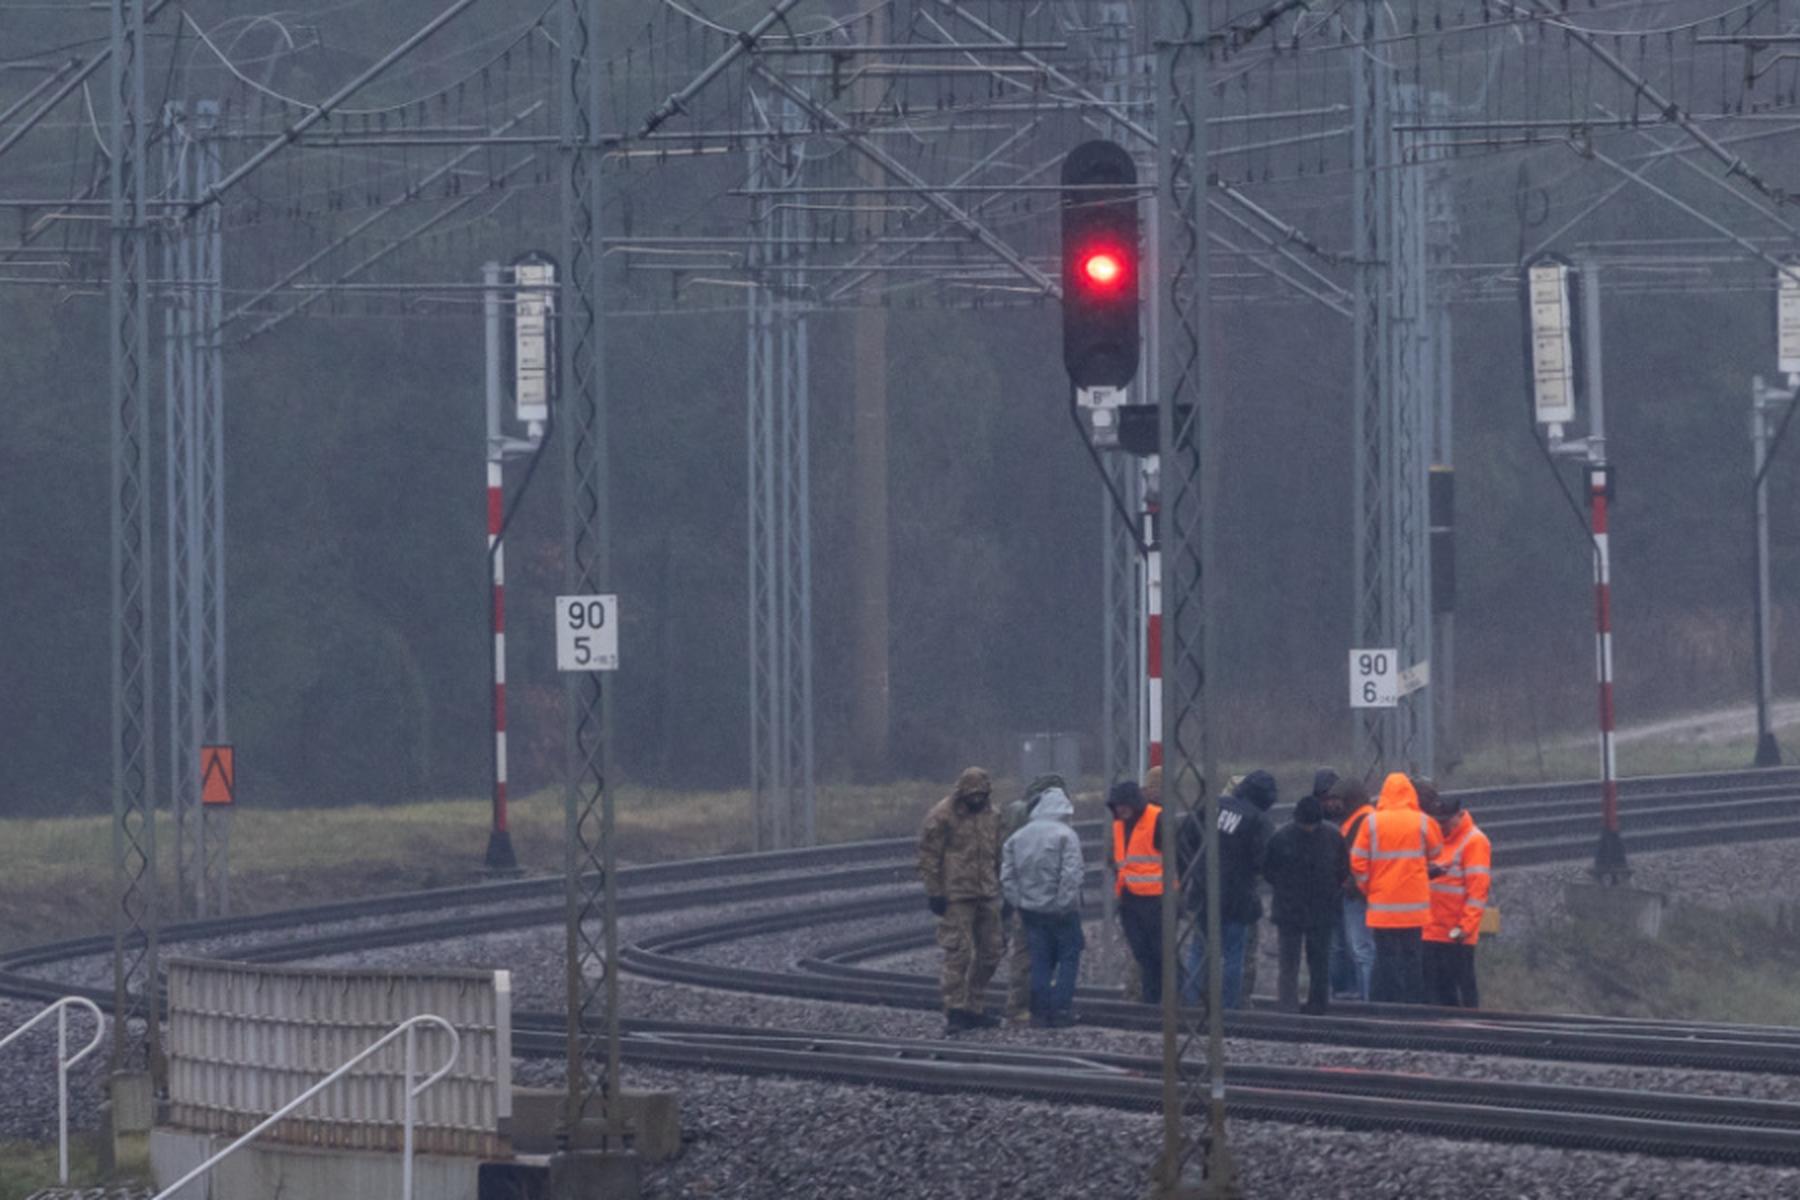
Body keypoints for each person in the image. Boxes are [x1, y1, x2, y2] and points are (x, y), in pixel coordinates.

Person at [918, 767, 1005, 1032]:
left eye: (981, 795)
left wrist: (1002, 885)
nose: (977, 800)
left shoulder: (994, 815)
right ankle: (955, 1009)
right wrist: (934, 892)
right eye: (972, 795)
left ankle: (974, 1005)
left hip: (987, 891)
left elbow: (999, 852)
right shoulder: (942, 816)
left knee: (992, 951)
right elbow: (929, 856)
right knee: (959, 953)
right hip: (956, 894)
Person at [1178, 770, 1274, 1009]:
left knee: (1199, 949)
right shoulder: (1259, 821)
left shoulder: (1213, 806)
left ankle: (1191, 1002)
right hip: (1238, 896)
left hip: (1204, 890)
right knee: (1233, 955)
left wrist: (1196, 869)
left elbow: (1186, 837)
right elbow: (1264, 860)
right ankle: (1229, 1008)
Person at [1349, 772, 1443, 1004]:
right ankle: (1412, 1004)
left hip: (1382, 907)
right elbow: (1436, 851)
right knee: (1412, 958)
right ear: (1410, 793)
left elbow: (1357, 862)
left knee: (1385, 958)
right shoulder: (1422, 821)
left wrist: (1368, 888)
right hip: (1414, 908)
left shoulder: (1371, 822)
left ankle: (1385, 1004)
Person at [1001, 785, 1085, 1026]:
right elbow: (1071, 874)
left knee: (1040, 960)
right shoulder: (1066, 835)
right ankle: (1060, 1010)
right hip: (1062, 912)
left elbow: (1007, 877)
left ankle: (1038, 1012)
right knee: (1069, 958)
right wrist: (1063, 904)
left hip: (1031, 912)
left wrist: (1020, 902)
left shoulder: (1018, 837)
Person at [1262, 792, 1349, 1014]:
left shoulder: (1282, 837)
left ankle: (1310, 1004)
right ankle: (1294, 1005)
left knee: (1312, 961)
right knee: (1295, 961)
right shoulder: (1332, 836)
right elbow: (1342, 870)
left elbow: (1269, 870)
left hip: (1298, 907)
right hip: (1306, 908)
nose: (1309, 829)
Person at [1422, 790, 1491, 1008]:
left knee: (1462, 992)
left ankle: (1469, 1026)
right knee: (1437, 994)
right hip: (1431, 931)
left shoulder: (1475, 841)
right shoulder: (1435, 840)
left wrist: (1465, 927)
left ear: (1459, 815)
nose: (1441, 826)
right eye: (1438, 821)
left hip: (1457, 935)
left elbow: (1477, 892)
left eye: (1445, 821)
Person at [1107, 778, 1165, 1005]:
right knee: (1142, 953)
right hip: (1130, 899)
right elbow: (1116, 859)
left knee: (1160, 954)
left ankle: (1165, 999)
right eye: (1117, 805)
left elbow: (1178, 858)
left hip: (1157, 899)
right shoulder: (1118, 825)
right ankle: (1151, 1000)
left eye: (1123, 804)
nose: (1120, 809)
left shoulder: (1157, 819)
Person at [1332, 777, 1377, 1001]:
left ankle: (1367, 999)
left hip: (1358, 894)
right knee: (1357, 948)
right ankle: (1361, 994)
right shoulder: (1357, 819)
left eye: (1339, 799)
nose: (1335, 805)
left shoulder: (1363, 821)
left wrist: (1354, 884)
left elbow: (1358, 859)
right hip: (1357, 892)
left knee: (1361, 949)